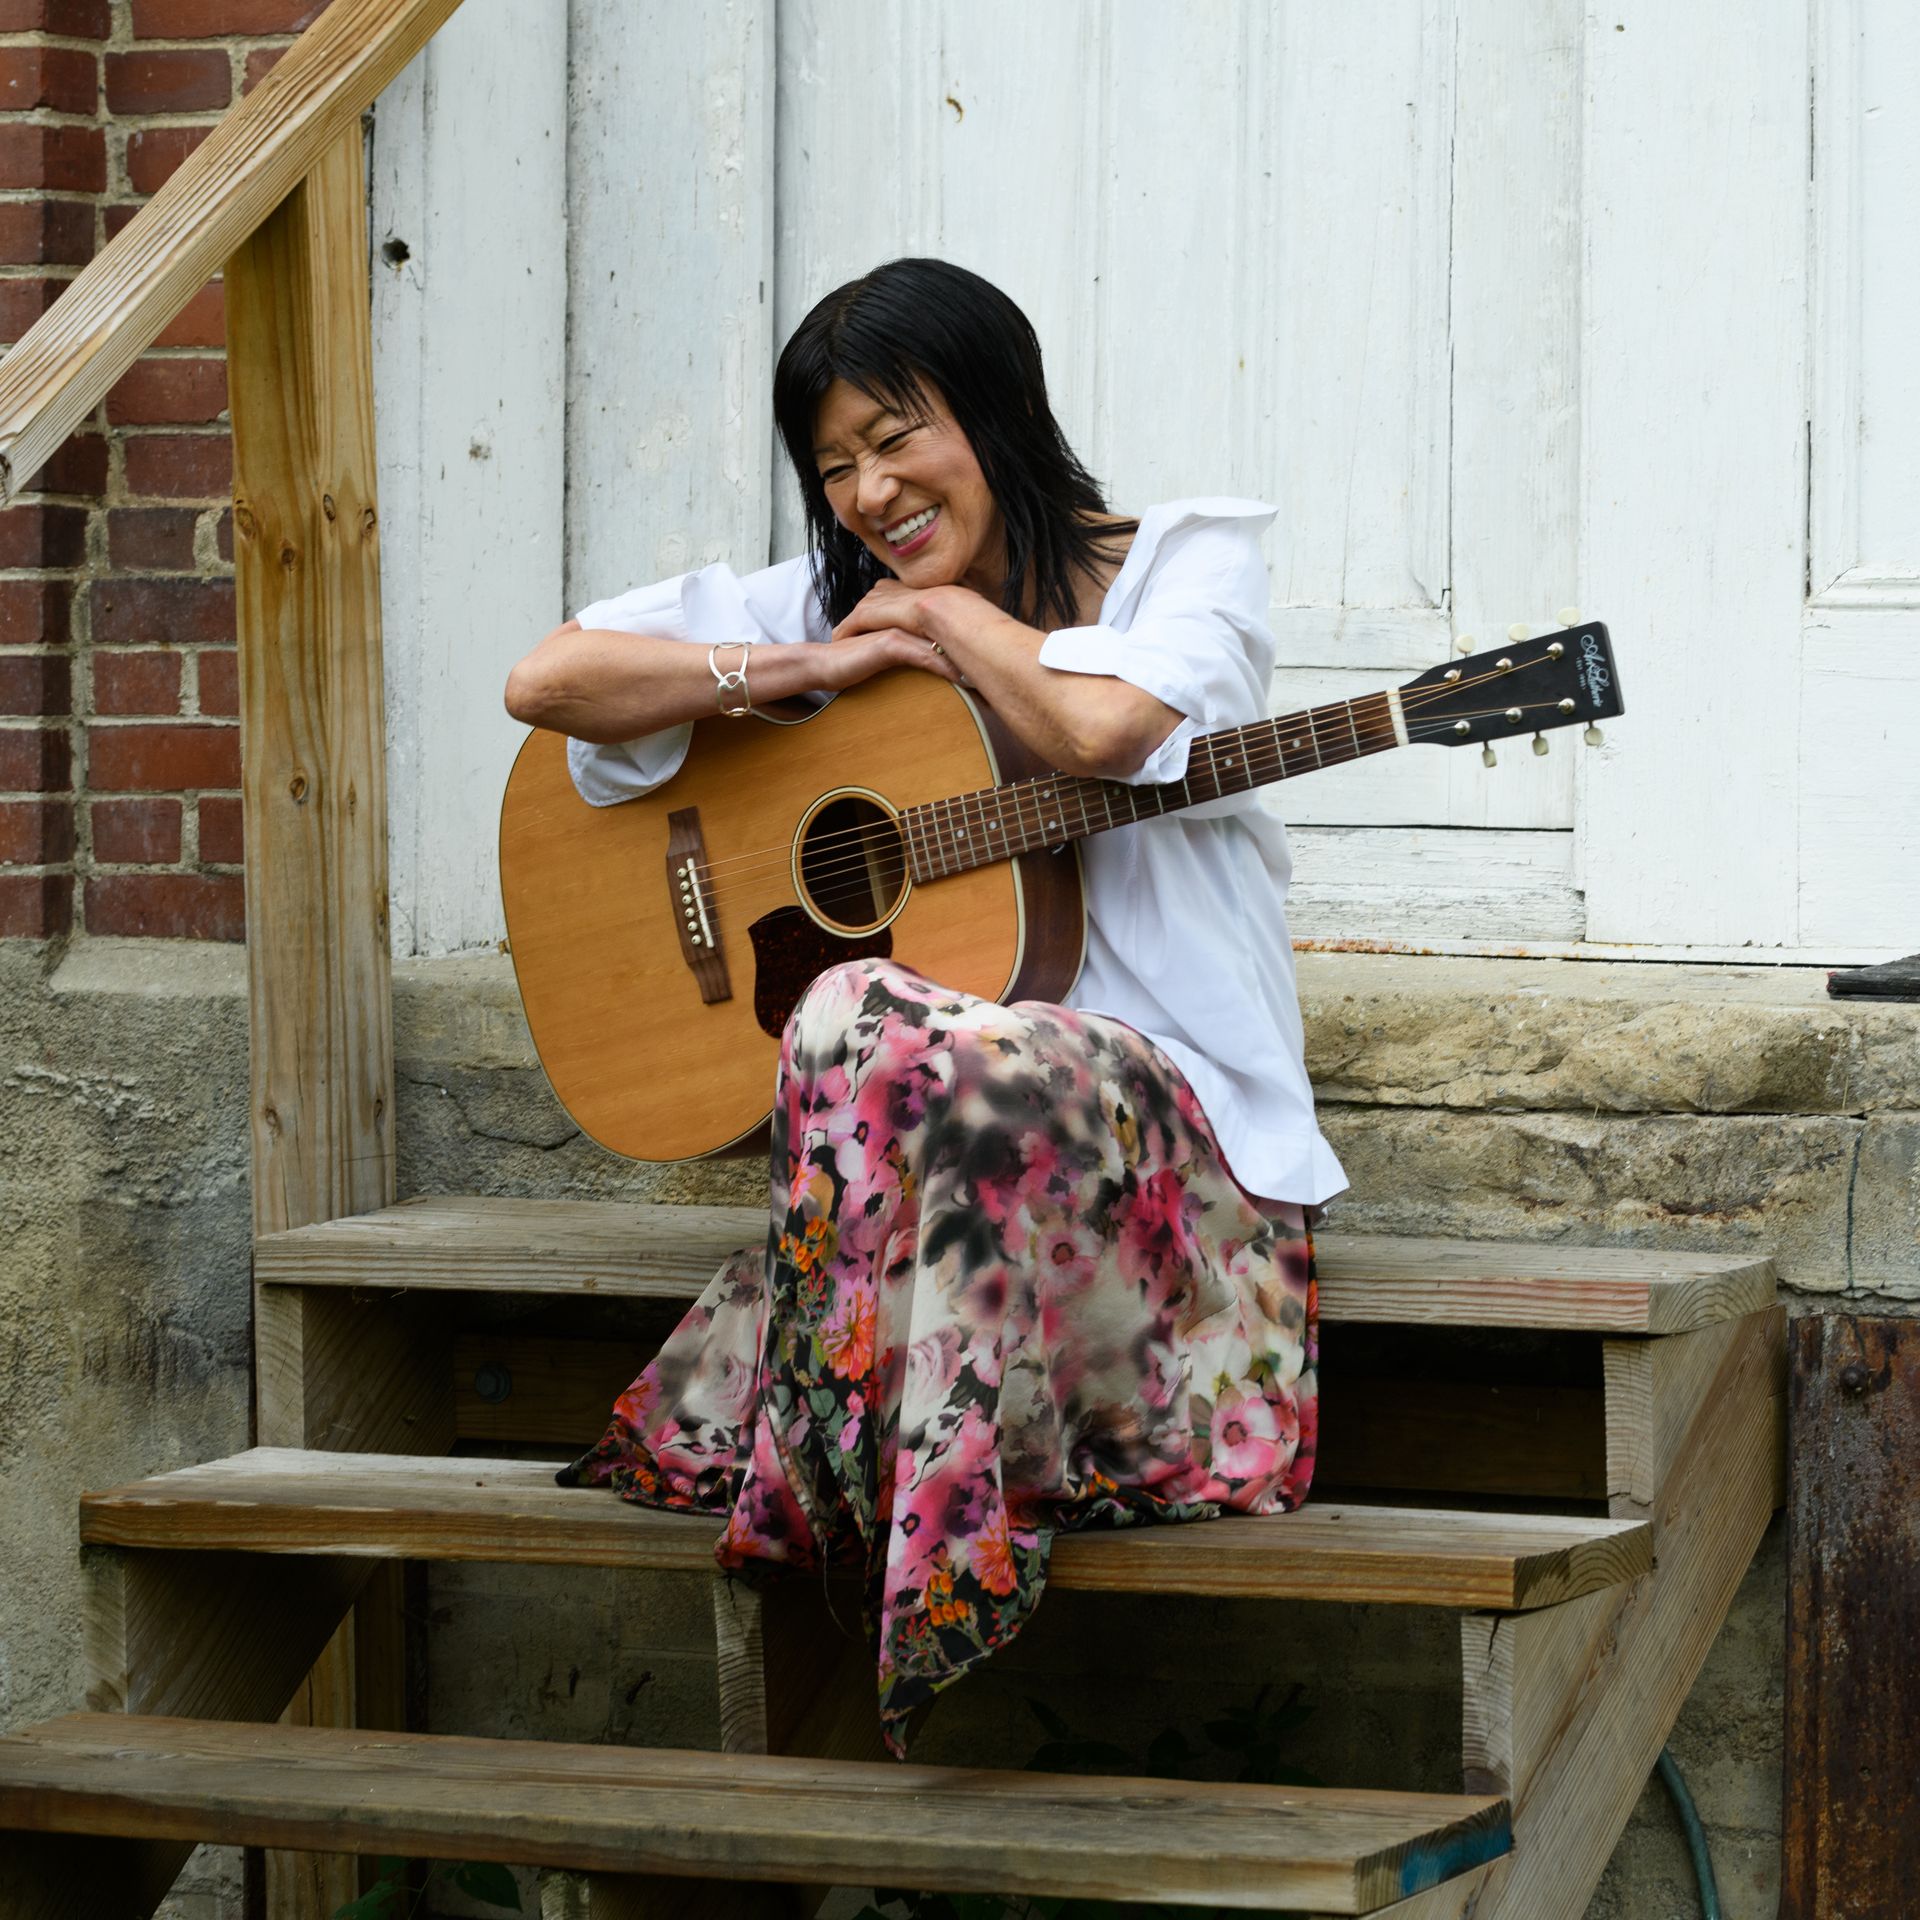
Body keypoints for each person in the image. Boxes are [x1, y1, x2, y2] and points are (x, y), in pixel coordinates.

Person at [504, 258, 1347, 1755]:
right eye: (834, 464)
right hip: (964, 1177)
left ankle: (887, 1503)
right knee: (864, 1008)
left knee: (925, 1038)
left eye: (898, 435)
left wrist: (946, 622)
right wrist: (809, 664)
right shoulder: (834, 607)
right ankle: (907, 1511)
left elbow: (1108, 723)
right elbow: (549, 679)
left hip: (1172, 1172)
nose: (869, 489)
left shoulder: (1184, 565)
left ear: (999, 407)